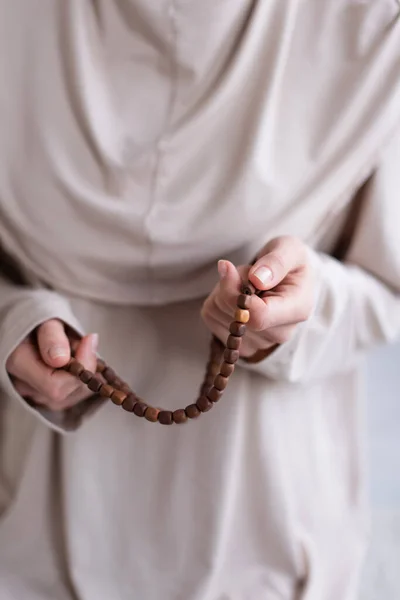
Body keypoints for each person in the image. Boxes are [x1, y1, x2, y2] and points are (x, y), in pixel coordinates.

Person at [0, 2, 400, 599]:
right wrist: (11, 323)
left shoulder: (372, 23)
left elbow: (386, 288)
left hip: (268, 540)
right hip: (36, 531)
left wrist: (304, 307)